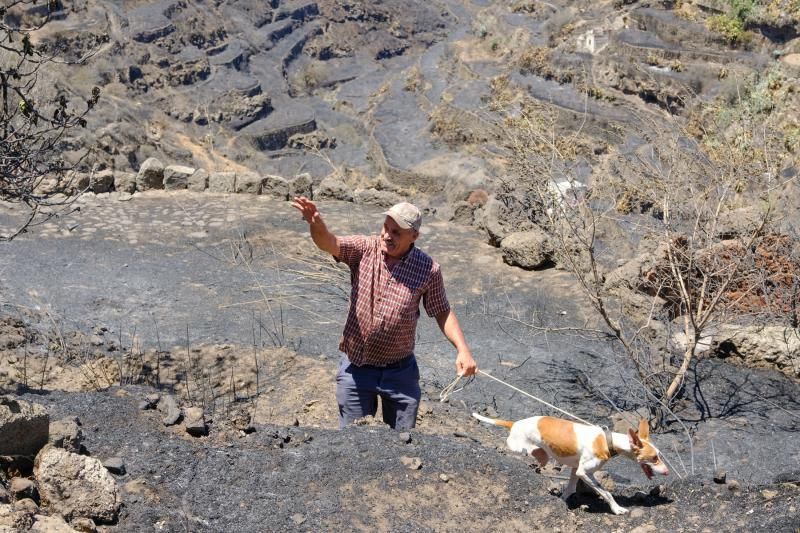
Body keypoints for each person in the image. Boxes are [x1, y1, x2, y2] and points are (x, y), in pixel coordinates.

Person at [291, 196, 478, 430]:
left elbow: (442, 311)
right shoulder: (365, 249)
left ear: (414, 236)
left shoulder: (428, 269)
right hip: (356, 368)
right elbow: (329, 243)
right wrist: (316, 224)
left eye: (396, 232)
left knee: (402, 443)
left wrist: (463, 350)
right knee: (353, 442)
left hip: (400, 373)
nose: (387, 235)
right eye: (386, 228)